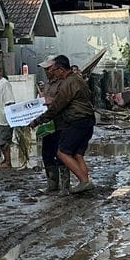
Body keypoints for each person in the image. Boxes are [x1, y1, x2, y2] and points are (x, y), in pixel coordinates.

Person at [38, 54, 96, 194]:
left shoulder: (68, 82)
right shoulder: (77, 79)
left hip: (76, 121)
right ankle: (85, 182)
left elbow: (57, 106)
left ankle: (84, 181)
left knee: (62, 152)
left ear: (60, 69)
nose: (50, 72)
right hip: (86, 119)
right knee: (77, 154)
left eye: (52, 69)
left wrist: (37, 121)